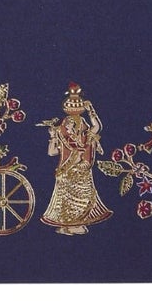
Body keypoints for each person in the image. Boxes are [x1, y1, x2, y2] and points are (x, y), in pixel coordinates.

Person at [39, 84, 112, 235]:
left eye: (77, 125)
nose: (74, 127)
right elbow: (52, 152)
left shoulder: (84, 136)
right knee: (67, 202)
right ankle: (68, 226)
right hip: (67, 172)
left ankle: (75, 224)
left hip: (82, 171)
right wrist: (52, 138)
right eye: (71, 124)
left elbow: (96, 127)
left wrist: (91, 111)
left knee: (84, 198)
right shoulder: (61, 135)